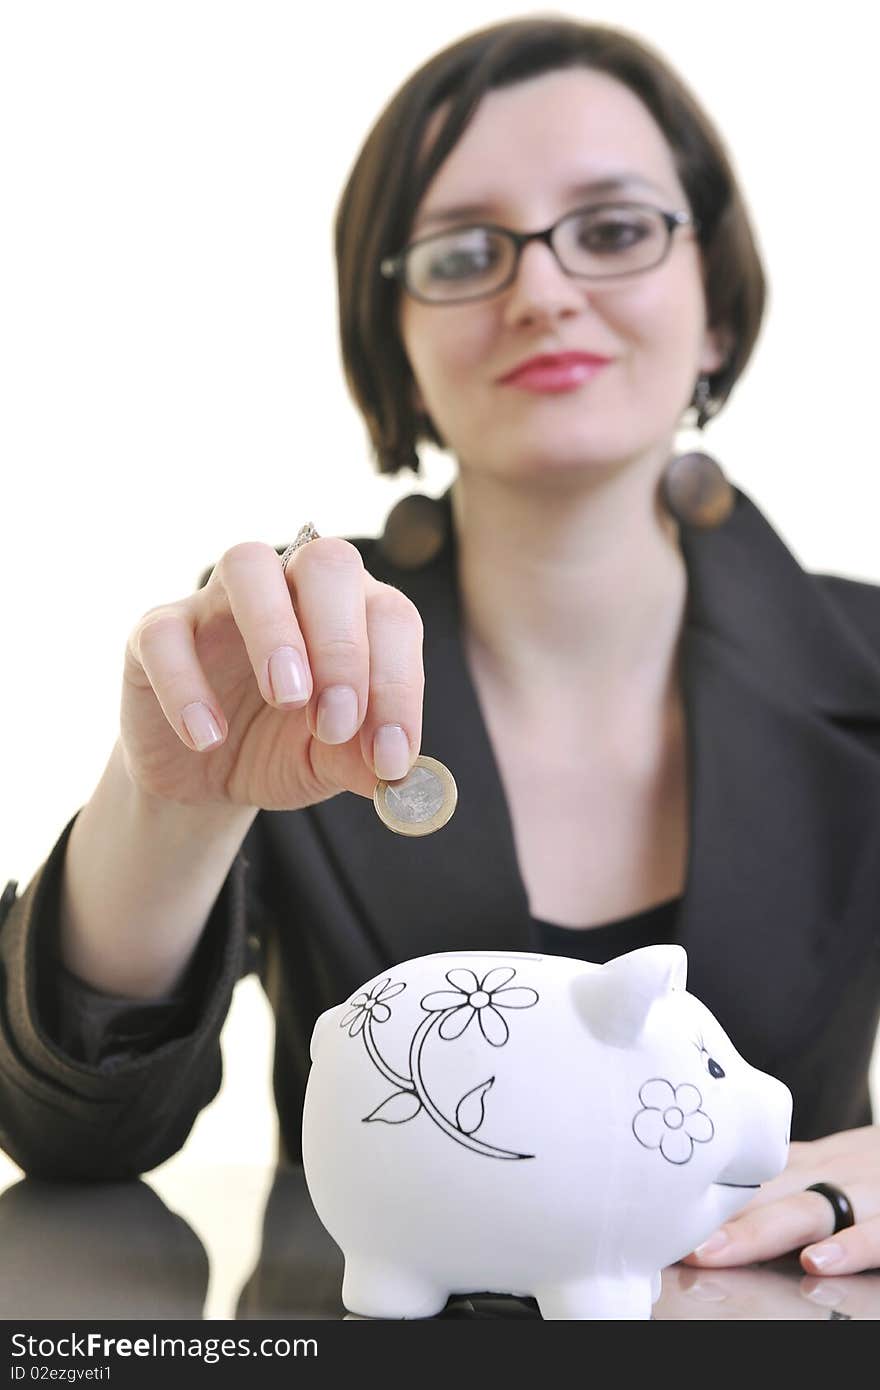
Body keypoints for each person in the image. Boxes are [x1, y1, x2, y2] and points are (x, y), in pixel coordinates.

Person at [1, 15, 878, 1286]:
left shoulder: (866, 657)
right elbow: (72, 1138)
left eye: (616, 229)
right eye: (464, 252)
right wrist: (168, 801)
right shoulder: (286, 654)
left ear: (716, 312)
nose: (541, 291)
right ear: (398, 350)